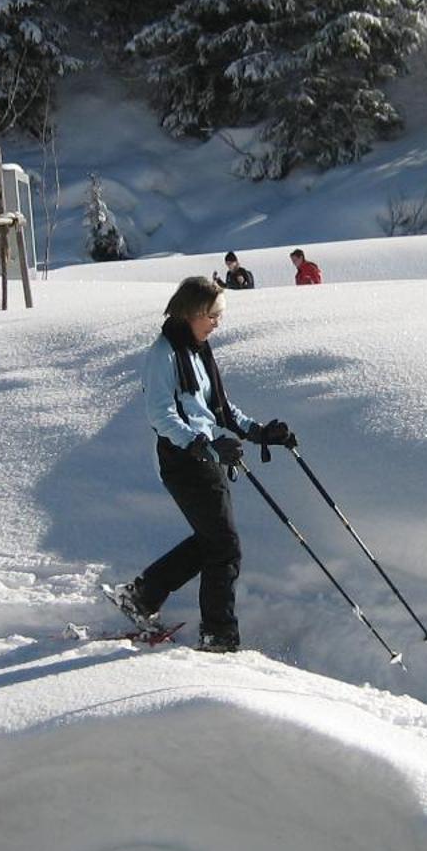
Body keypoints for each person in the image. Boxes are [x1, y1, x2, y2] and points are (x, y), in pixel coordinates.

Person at [109, 276, 294, 654]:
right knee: (224, 546)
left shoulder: (197, 350)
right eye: (212, 315)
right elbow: (161, 415)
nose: (216, 323)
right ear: (192, 312)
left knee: (213, 541)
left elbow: (218, 408)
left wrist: (258, 432)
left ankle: (142, 596)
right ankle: (218, 635)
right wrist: (203, 445)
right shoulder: (163, 354)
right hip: (183, 460)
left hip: (206, 457)